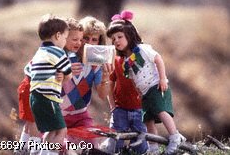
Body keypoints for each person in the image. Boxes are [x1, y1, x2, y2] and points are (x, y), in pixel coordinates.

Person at [106, 10, 186, 155]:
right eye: (113, 39)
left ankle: (175, 136)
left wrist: (162, 78)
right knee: (148, 119)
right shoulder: (125, 61)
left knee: (161, 111)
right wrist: (139, 93)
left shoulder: (142, 49)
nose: (116, 41)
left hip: (156, 86)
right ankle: (153, 147)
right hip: (144, 93)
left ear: (129, 36)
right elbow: (133, 78)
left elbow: (158, 59)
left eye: (119, 37)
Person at [29, 14, 72, 155]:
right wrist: (64, 76)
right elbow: (69, 74)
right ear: (58, 36)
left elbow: (31, 71)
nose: (65, 41)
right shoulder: (58, 52)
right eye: (66, 38)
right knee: (62, 130)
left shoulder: (39, 52)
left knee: (52, 130)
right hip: (47, 97)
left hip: (35, 97)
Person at [60, 16, 112, 129]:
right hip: (57, 115)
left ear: (99, 43)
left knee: (90, 145)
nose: (89, 43)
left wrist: (105, 77)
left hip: (80, 115)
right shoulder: (63, 54)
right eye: (86, 38)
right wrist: (65, 73)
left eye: (94, 40)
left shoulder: (97, 64)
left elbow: (102, 95)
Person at [103, 55, 148, 154]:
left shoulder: (143, 57)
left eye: (120, 38)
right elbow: (110, 83)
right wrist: (112, 106)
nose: (117, 41)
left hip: (140, 111)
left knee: (141, 148)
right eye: (115, 39)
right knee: (114, 146)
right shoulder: (116, 60)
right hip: (120, 110)